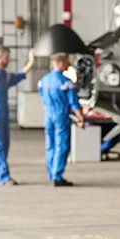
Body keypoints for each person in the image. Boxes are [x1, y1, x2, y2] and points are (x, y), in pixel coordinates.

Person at [0, 45, 34, 185]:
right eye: (6, 57)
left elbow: (17, 77)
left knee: (4, 145)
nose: (8, 59)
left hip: (3, 116)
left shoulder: (3, 75)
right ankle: (4, 176)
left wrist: (31, 63)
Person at [38, 53, 85, 186]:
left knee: (50, 145)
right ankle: (57, 176)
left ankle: (51, 174)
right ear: (63, 63)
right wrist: (81, 118)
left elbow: (42, 100)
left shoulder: (44, 80)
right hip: (61, 116)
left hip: (48, 115)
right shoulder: (66, 82)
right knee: (62, 145)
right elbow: (74, 103)